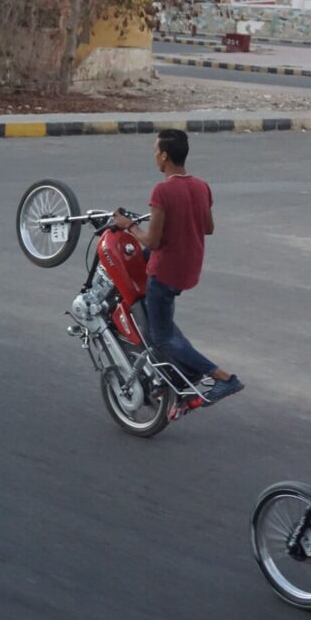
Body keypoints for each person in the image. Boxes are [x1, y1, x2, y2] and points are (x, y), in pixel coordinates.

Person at [113, 129, 244, 410]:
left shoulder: (162, 190)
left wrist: (129, 226)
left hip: (165, 274)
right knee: (163, 322)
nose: (154, 157)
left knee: (161, 337)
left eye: (155, 152)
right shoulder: (201, 186)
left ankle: (223, 377)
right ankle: (185, 368)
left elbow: (152, 241)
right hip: (188, 269)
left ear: (164, 156)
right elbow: (208, 227)